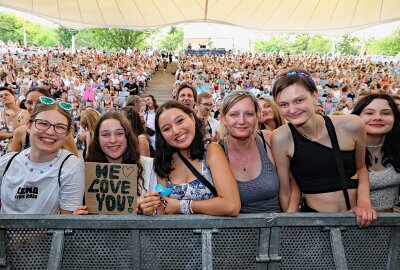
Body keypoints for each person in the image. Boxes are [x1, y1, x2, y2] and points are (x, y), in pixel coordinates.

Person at [271, 69, 376, 227]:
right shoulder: (280, 138)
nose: (292, 110)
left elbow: (361, 168)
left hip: (355, 220)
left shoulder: (352, 125)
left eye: (299, 100)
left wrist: (364, 203)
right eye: (284, 104)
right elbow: (286, 189)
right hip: (313, 224)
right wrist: (290, 223)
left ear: (314, 96)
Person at [138, 101, 240, 216]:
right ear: (162, 136)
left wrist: (181, 206)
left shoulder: (212, 150)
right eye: (166, 129)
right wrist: (149, 207)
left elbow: (231, 205)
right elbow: (164, 207)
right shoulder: (163, 162)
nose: (176, 131)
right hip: (176, 233)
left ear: (192, 118)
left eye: (180, 121)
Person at [0, 97, 85, 214]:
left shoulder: (70, 166)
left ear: (67, 134)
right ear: (29, 126)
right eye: (43, 124)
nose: (50, 132)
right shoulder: (6, 163)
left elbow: (66, 221)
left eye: (59, 127)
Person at [77, 112, 158, 214]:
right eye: (105, 134)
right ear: (97, 139)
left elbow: (163, 207)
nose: (113, 140)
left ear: (127, 136)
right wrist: (77, 217)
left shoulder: (150, 166)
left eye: (119, 133)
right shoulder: (84, 171)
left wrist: (152, 209)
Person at [219, 91, 280, 213]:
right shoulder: (217, 151)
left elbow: (291, 184)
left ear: (257, 116)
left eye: (249, 114)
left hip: (277, 227)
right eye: (234, 114)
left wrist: (287, 222)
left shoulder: (269, 139)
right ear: (223, 119)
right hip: (235, 230)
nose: (241, 121)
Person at [352, 94, 400, 212]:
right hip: (350, 225)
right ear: (357, 117)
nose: (378, 117)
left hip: (391, 225)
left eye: (385, 113)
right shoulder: (345, 150)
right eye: (369, 113)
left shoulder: (397, 148)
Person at [7, 88, 79, 156]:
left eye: (40, 102)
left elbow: (74, 160)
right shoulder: (20, 132)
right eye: (29, 102)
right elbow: (13, 163)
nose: (33, 107)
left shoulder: (61, 132)